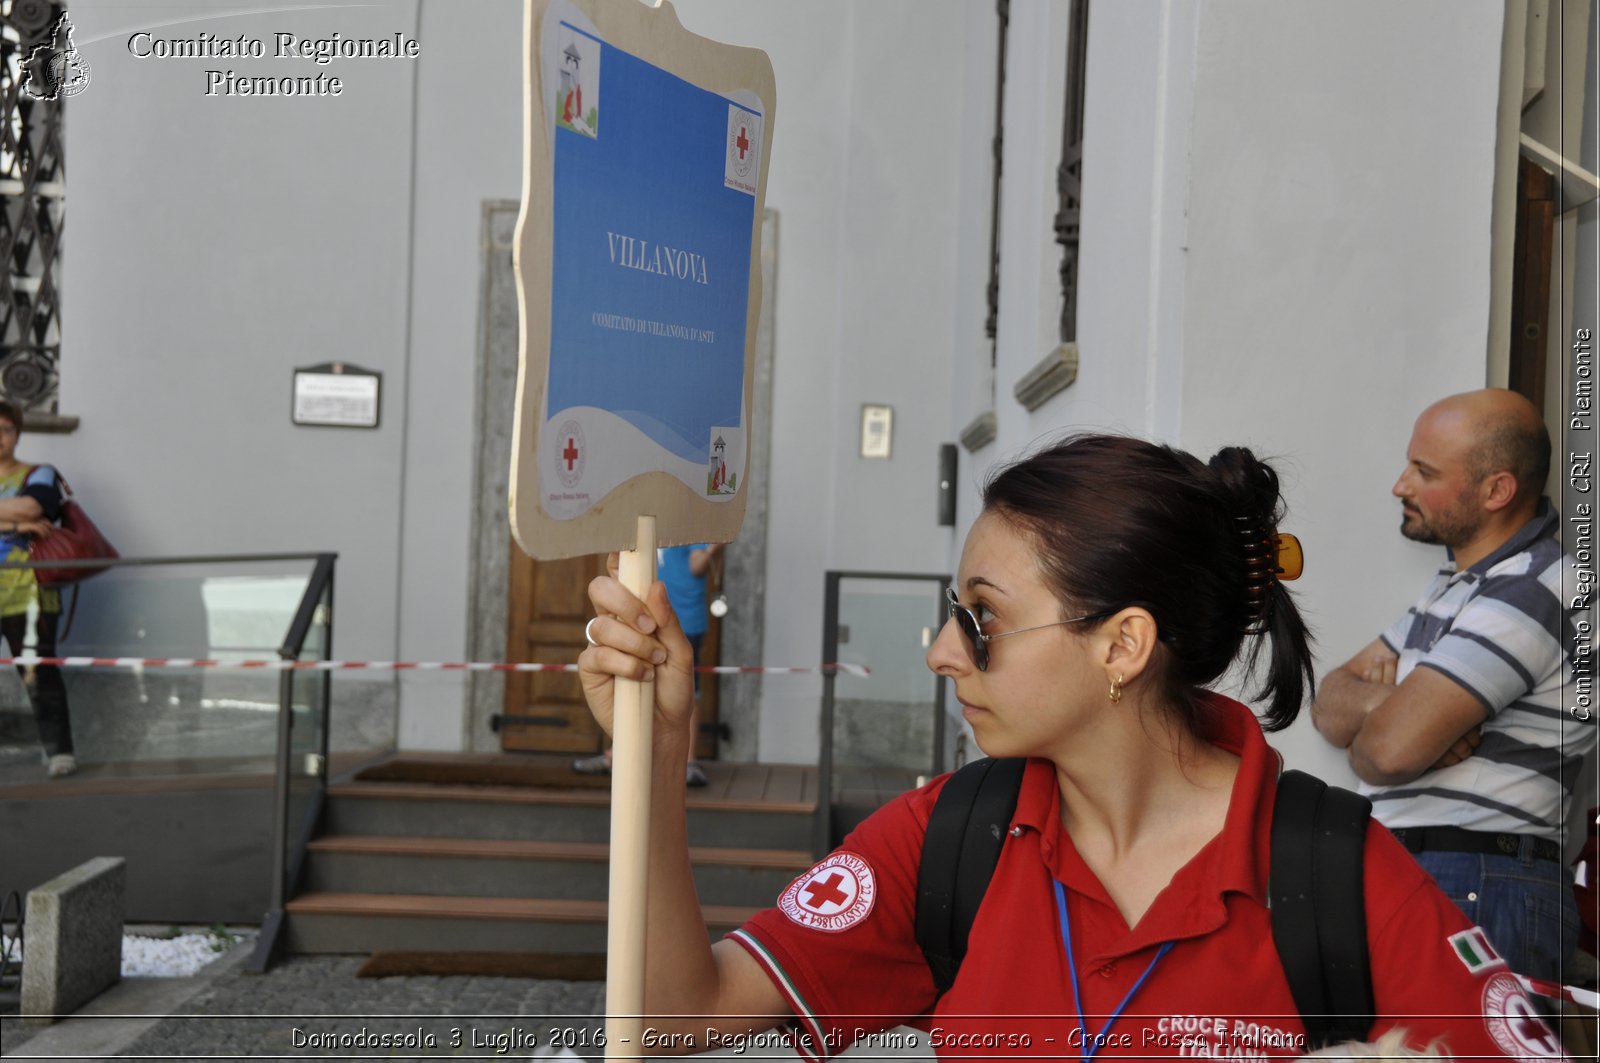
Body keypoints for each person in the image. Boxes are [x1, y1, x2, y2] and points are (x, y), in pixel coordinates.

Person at [579, 434, 1564, 1060]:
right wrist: (656, 762)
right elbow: (674, 1016)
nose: (939, 651)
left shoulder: (1333, 875)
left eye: (981, 618)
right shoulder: (947, 840)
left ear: (1123, 645)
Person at [1311, 388, 1590, 984]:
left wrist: (1387, 729)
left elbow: (1384, 753)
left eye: (1424, 471)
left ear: (1497, 491)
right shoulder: (1459, 584)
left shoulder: (1535, 589)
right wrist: (1394, 705)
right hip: (1441, 871)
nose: (1400, 486)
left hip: (1480, 878)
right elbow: (1330, 704)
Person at [574, 542, 721, 787]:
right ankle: (618, 753)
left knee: (686, 689)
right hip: (644, 615)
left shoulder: (690, 522)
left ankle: (687, 761)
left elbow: (696, 566)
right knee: (629, 675)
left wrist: (713, 549)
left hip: (682, 618)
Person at [0, 401, 74, 778]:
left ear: (18, 434)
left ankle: (59, 751)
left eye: (6, 429)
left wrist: (23, 519)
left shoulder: (39, 473)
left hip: (27, 591)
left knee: (39, 672)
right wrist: (12, 525)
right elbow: (23, 516)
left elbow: (35, 508)